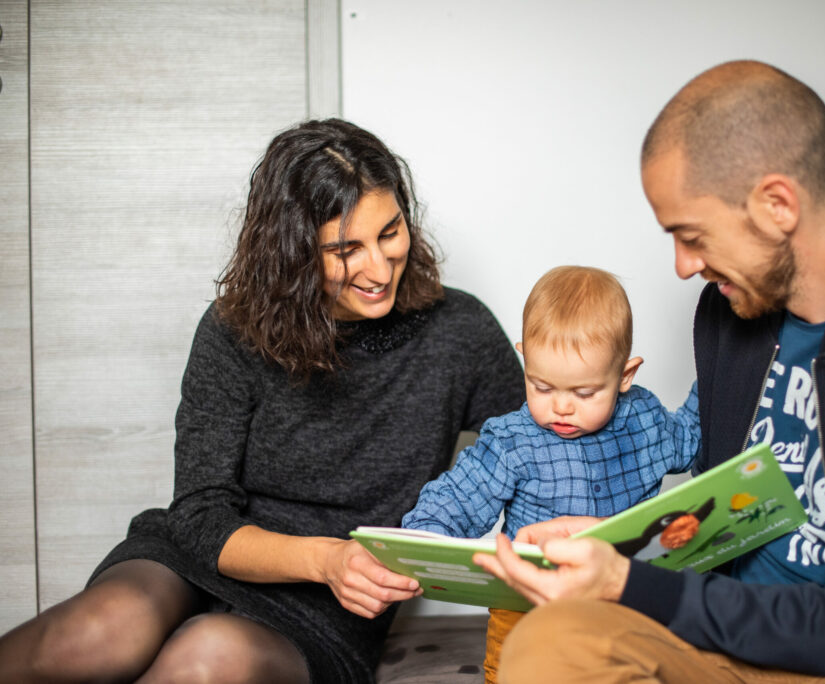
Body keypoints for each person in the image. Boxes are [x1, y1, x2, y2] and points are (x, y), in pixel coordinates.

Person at [474, 60, 825, 682]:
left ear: (777, 204)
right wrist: (623, 543)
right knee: (549, 645)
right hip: (722, 628)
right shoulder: (727, 310)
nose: (683, 266)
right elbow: (720, 514)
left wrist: (627, 579)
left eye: (693, 235)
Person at [0, 119, 525, 684]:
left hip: (330, 606)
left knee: (207, 657)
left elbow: (540, 449)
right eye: (346, 250)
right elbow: (199, 517)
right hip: (204, 559)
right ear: (294, 252)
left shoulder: (459, 332)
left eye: (390, 232)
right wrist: (324, 558)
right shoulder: (233, 330)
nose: (378, 267)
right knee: (101, 629)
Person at [402, 265, 700, 683]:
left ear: (625, 376)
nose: (561, 407)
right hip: (527, 602)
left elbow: (691, 437)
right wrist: (419, 540)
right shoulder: (511, 440)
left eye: (584, 393)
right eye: (542, 386)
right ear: (525, 359)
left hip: (622, 596)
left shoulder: (645, 419)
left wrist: (721, 376)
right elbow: (459, 497)